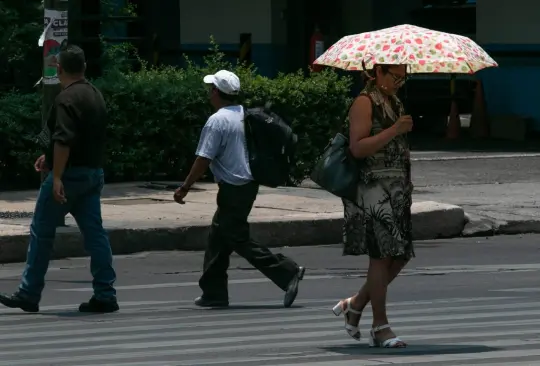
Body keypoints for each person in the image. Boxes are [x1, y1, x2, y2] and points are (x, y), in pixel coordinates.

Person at [0, 45, 118, 313]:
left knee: (41, 232)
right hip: (92, 174)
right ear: (84, 67)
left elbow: (63, 140)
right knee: (95, 235)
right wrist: (50, 159)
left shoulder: (66, 99)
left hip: (69, 176)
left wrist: (56, 177)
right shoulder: (95, 95)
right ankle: (106, 293)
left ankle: (29, 293)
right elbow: (82, 138)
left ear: (59, 69)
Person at [173, 70, 305, 308]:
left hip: (234, 188)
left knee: (237, 239)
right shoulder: (243, 114)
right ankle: (214, 292)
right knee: (217, 237)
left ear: (215, 92)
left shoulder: (217, 120)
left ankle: (288, 272)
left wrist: (185, 187)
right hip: (246, 185)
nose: (208, 93)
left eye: (210, 88)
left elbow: (203, 158)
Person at [332, 64, 413, 348]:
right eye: (395, 76)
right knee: (381, 256)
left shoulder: (392, 100)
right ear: (377, 72)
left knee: (400, 255)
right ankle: (380, 327)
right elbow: (358, 148)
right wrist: (394, 129)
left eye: (404, 77)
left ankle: (355, 304)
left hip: (397, 190)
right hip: (373, 190)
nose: (399, 82)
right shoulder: (364, 102)